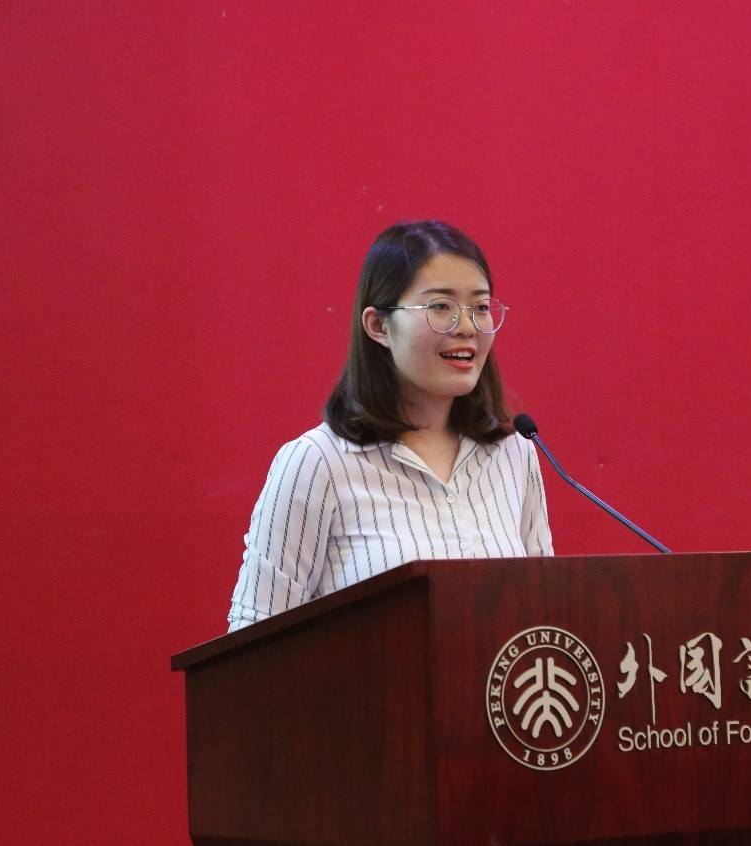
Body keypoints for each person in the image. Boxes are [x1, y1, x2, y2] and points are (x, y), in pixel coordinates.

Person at [226, 221, 554, 631]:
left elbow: (543, 617)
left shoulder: (514, 454)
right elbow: (252, 632)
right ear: (379, 326)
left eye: (481, 307)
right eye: (441, 307)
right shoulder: (319, 463)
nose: (467, 327)